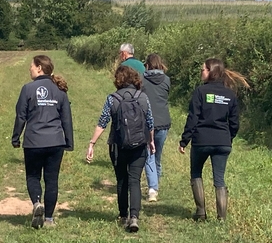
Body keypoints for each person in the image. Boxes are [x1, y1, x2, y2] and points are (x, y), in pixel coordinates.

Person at [86, 65, 155, 232]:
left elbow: (102, 122)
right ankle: (135, 217)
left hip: (118, 145)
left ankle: (123, 215)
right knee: (135, 181)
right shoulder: (143, 97)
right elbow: (150, 122)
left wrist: (92, 143)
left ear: (118, 80)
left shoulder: (112, 98)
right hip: (139, 144)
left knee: (122, 179)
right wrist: (151, 141)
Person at [179, 58, 249, 221]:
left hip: (202, 141)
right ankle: (221, 217)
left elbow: (193, 118)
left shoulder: (200, 92)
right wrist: (228, 137)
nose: (201, 72)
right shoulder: (230, 94)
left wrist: (185, 140)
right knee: (219, 178)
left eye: (203, 69)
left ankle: (201, 212)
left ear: (211, 72)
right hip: (222, 142)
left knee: (196, 173)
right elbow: (235, 122)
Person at [11, 55, 74, 229]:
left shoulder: (28, 89)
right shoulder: (59, 90)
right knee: (51, 180)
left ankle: (37, 203)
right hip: (55, 142)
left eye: (31, 66)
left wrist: (16, 137)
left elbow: (21, 116)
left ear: (39, 68)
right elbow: (66, 119)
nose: (29, 69)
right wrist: (69, 141)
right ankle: (48, 219)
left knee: (33, 176)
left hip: (34, 141)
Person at [142, 53, 171, 202]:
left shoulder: (141, 80)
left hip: (148, 122)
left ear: (147, 64)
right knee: (157, 156)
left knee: (149, 155)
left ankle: (152, 188)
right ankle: (155, 186)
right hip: (164, 121)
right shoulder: (167, 80)